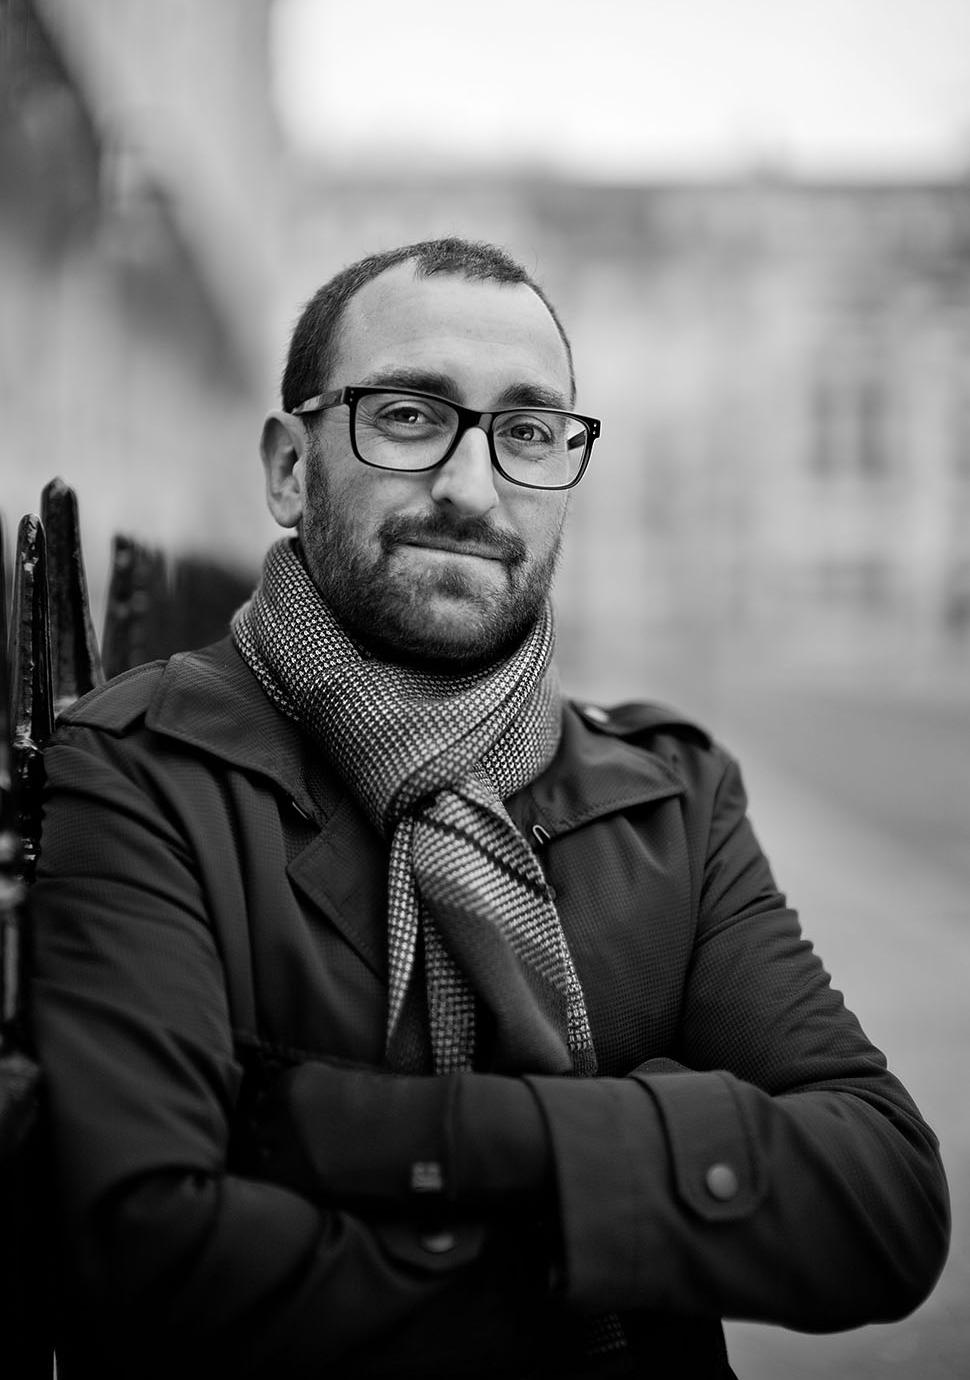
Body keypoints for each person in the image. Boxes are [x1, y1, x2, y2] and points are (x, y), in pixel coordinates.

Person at [30, 237, 948, 1379]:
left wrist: (400, 1138)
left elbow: (884, 1201)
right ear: (287, 467)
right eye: (410, 414)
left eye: (527, 431)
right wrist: (633, 1178)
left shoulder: (670, 796)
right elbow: (146, 1253)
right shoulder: (146, 770)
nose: (473, 488)